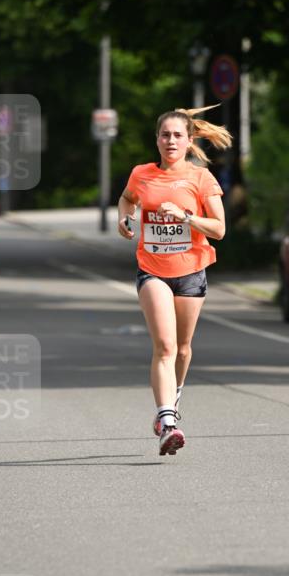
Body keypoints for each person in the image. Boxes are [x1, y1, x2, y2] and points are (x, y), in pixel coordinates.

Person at [118, 106, 230, 456]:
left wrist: (186, 216)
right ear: (157, 140)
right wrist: (126, 218)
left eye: (177, 135)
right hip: (152, 269)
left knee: (182, 349)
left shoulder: (201, 178)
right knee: (165, 347)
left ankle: (174, 394)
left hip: (191, 272)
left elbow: (220, 229)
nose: (170, 140)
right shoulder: (142, 174)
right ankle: (168, 421)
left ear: (189, 140)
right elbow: (126, 199)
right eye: (165, 135)